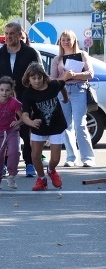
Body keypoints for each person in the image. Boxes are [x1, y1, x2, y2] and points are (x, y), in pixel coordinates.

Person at [0, 21, 42, 177]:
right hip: (4, 102)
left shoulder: (31, 53)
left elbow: (39, 74)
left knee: (26, 132)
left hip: (26, 100)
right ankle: (3, 165)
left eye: (12, 33)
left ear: (19, 35)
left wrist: (35, 94)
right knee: (4, 133)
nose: (9, 37)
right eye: (6, 34)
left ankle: (30, 163)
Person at [50, 30, 96, 167]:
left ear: (74, 40)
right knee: (66, 125)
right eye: (63, 40)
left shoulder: (82, 55)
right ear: (60, 42)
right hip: (62, 91)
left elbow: (90, 74)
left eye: (68, 39)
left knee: (80, 124)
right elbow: (52, 80)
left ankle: (88, 158)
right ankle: (71, 157)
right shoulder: (57, 59)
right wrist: (63, 77)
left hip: (78, 90)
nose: (66, 42)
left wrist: (74, 74)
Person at [21, 62, 68, 191]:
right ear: (28, 79)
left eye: (39, 78)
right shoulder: (28, 94)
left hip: (56, 125)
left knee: (55, 158)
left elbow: (62, 85)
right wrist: (30, 122)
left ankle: (51, 170)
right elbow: (24, 114)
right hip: (39, 126)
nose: (36, 81)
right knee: (35, 156)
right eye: (33, 78)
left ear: (44, 76)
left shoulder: (53, 85)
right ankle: (41, 179)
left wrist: (65, 98)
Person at [0, 76, 23, 190]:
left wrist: (17, 123)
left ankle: (12, 175)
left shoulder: (14, 103)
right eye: (2, 90)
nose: (4, 93)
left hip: (12, 131)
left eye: (7, 90)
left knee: (14, 152)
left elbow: (23, 118)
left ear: (11, 91)